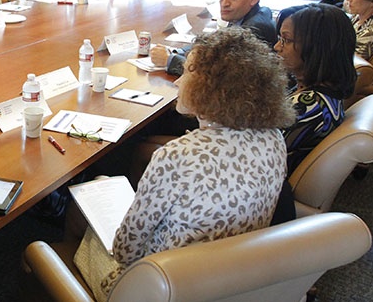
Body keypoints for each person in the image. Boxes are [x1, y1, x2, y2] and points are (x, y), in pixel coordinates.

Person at [72, 28, 294, 301]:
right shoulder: (273, 139)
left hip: (159, 287)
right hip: (231, 281)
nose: (178, 82)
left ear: (213, 89)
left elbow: (125, 251)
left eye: (188, 72)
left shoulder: (177, 156)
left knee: (84, 211)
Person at [276, 4, 356, 174]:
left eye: (286, 40)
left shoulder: (308, 107)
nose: (277, 46)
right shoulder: (322, 90)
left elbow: (253, 152)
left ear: (317, 48)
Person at [151, 0, 276, 75]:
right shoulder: (247, 15)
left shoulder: (253, 29)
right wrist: (179, 51)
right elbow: (212, 44)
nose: (224, 4)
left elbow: (216, 74)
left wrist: (169, 60)